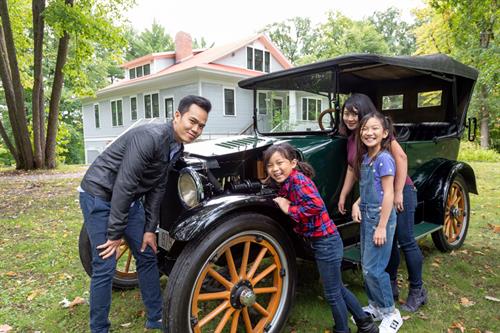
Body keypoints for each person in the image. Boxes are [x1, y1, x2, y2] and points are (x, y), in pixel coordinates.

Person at [79, 95, 211, 332]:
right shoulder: (149, 137)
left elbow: (157, 187)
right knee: (105, 264)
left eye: (201, 126)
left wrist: (150, 229)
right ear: (177, 116)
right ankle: (99, 328)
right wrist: (115, 233)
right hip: (99, 194)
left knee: (147, 253)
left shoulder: (176, 146)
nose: (195, 129)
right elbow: (125, 184)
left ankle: (156, 317)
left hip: (128, 201)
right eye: (192, 121)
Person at [264, 143, 378, 333]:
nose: (275, 169)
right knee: (337, 288)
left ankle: (343, 330)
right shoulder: (288, 182)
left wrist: (288, 208)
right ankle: (365, 324)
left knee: (332, 293)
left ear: (293, 163)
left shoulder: (298, 181)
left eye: (279, 163)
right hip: (323, 241)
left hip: (326, 242)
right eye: (270, 165)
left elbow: (316, 205)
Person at [338, 94, 427, 312]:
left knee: (406, 239)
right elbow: (354, 168)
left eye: (354, 114)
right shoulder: (354, 139)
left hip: (399, 189)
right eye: (346, 113)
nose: (349, 118)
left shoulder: (381, 135)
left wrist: (398, 193)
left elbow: (402, 159)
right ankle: (390, 285)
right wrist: (345, 195)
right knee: (388, 244)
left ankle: (418, 290)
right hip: (377, 196)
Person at [351, 112, 402, 333]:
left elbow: (388, 193)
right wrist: (356, 203)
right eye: (364, 129)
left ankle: (391, 313)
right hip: (367, 213)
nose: (368, 133)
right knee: (367, 266)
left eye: (374, 128)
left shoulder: (384, 159)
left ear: (384, 133)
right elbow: (371, 188)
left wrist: (382, 226)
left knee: (376, 269)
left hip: (380, 217)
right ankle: (376, 306)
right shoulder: (365, 159)